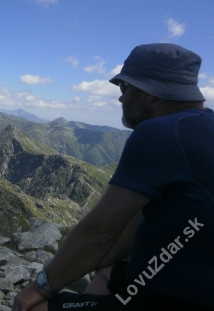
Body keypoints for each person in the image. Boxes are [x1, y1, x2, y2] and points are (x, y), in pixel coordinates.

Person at [12, 43, 214, 311]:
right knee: (107, 271)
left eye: (124, 88)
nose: (120, 98)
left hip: (171, 299)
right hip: (179, 281)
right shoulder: (202, 126)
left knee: (32, 309)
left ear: (149, 92)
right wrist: (103, 261)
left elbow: (100, 233)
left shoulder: (160, 133)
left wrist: (37, 289)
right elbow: (144, 214)